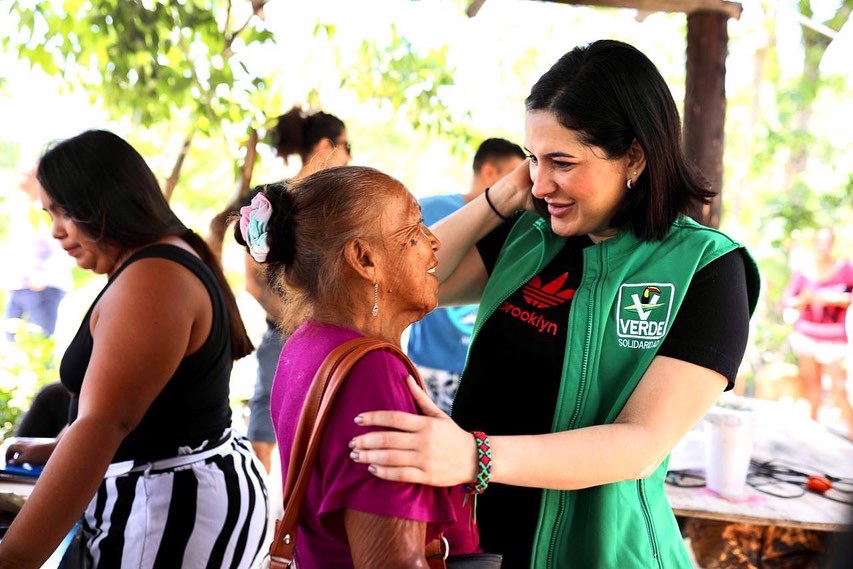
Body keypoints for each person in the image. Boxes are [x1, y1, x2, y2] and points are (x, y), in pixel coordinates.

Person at [349, 39, 761, 568]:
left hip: (603, 551)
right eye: (533, 160)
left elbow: (641, 443)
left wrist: (474, 456)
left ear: (634, 155)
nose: (542, 184)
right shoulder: (531, 234)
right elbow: (386, 283)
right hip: (476, 541)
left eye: (562, 162)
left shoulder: (704, 267)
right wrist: (498, 200)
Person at [0, 130, 268, 569]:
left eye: (62, 212)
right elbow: (139, 405)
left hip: (171, 512)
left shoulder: (154, 278)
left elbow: (104, 425)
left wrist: (12, 558)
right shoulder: (152, 262)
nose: (56, 232)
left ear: (102, 200)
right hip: (167, 498)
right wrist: (56, 446)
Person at [234, 167, 479, 568]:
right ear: (364, 259)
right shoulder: (372, 373)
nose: (434, 242)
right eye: (414, 230)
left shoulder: (306, 341)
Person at [243, 106, 352, 473]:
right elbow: (253, 281)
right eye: (346, 145)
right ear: (326, 146)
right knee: (264, 433)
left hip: (333, 340)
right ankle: (260, 521)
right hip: (285, 334)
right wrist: (302, 323)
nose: (351, 155)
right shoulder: (270, 200)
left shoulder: (339, 205)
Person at [406, 138, 525, 413]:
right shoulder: (428, 210)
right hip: (429, 361)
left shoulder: (515, 225)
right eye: (514, 175)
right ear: (489, 172)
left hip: (473, 363)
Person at [782, 227, 853, 437]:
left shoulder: (845, 268)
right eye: (820, 241)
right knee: (812, 387)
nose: (824, 245)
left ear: (833, 243)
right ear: (815, 243)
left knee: (838, 389)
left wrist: (831, 299)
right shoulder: (803, 271)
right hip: (806, 336)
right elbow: (789, 301)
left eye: (828, 241)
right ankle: (812, 435)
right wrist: (803, 300)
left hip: (833, 339)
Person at [2, 164, 73, 340]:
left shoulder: (49, 209)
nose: (21, 177)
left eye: (27, 173)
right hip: (20, 285)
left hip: (43, 286)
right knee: (11, 342)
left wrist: (44, 276)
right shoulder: (20, 206)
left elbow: (62, 245)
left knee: (39, 342)